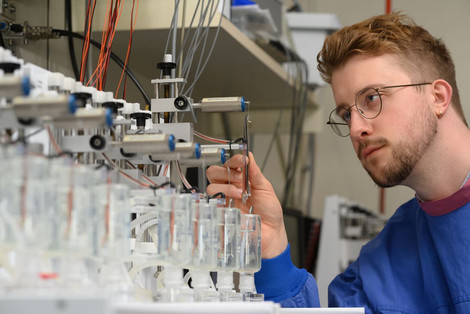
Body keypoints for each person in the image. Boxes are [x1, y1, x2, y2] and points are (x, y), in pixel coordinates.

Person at [206, 11, 470, 313]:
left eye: (372, 98)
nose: (356, 129)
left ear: (437, 97)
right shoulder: (377, 274)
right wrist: (272, 250)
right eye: (346, 114)